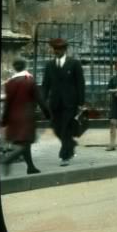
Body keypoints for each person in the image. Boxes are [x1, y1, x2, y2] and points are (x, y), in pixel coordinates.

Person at [40, 36, 85, 167]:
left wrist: (81, 102)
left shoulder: (74, 64)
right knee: (57, 128)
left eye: (59, 49)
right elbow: (45, 85)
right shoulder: (49, 65)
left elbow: (80, 84)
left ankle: (64, 156)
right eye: (55, 49)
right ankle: (70, 144)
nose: (56, 51)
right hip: (54, 103)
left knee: (65, 129)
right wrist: (43, 101)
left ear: (65, 49)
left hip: (70, 103)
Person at [1, 57, 46, 175]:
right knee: (26, 143)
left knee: (24, 143)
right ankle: (8, 159)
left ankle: (30, 167)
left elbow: (7, 103)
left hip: (13, 118)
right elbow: (40, 100)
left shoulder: (9, 83)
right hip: (26, 117)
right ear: (24, 66)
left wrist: (5, 120)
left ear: (14, 68)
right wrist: (48, 114)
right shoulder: (29, 80)